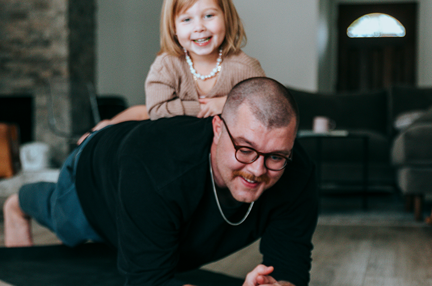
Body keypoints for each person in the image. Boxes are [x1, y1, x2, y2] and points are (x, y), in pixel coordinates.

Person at [4, 77, 318, 286]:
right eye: (245, 149)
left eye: (276, 156)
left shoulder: (297, 170)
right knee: (66, 223)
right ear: (218, 128)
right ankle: (22, 201)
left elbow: (290, 266)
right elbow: (146, 282)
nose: (258, 170)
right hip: (95, 172)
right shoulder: (156, 167)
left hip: (145, 185)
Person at [78, 0, 265, 144]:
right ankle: (104, 126)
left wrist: (227, 103)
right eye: (187, 19)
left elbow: (265, 105)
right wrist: (204, 108)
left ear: (226, 17)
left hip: (206, 132)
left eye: (209, 15)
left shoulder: (245, 67)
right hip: (168, 122)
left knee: (145, 113)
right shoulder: (167, 64)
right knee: (142, 114)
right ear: (174, 28)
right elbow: (156, 110)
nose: (199, 27)